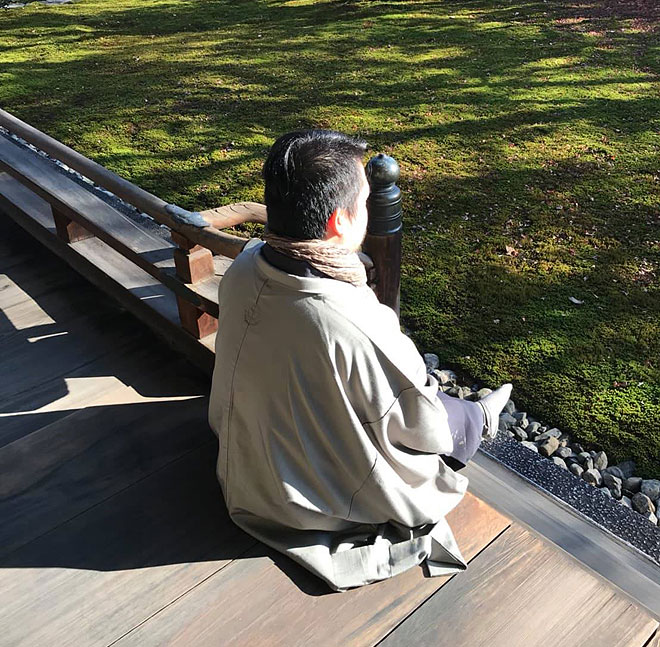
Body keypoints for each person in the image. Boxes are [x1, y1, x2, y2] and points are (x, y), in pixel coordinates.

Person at [208, 129, 512, 592]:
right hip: (296, 501)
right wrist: (466, 421)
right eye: (366, 202)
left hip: (244, 463)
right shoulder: (354, 321)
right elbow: (418, 424)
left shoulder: (247, 266)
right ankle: (481, 419)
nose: (369, 211)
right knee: (443, 419)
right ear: (339, 222)